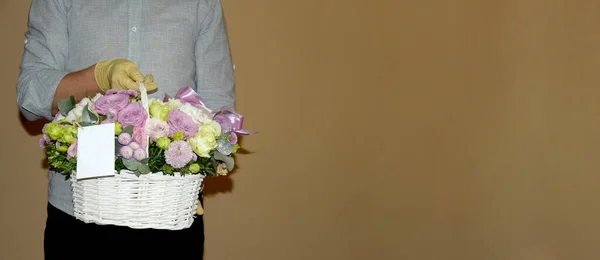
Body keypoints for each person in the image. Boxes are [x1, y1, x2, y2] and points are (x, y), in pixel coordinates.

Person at [16, 0, 235, 259]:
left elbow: (220, 112)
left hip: (171, 215)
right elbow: (29, 97)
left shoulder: (202, 4)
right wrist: (98, 76)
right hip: (78, 214)